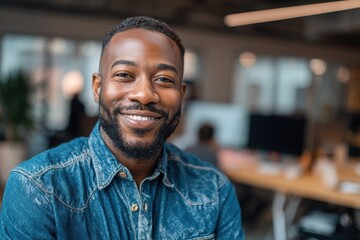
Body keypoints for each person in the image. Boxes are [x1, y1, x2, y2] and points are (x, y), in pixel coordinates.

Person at [0, 16, 245, 239]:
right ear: (97, 87)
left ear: (181, 95)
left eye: (164, 80)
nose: (144, 94)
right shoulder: (39, 188)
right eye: (124, 75)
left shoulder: (214, 189)